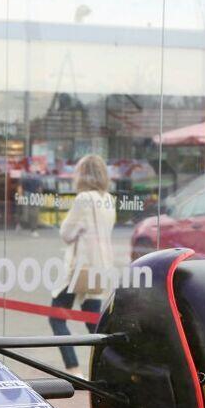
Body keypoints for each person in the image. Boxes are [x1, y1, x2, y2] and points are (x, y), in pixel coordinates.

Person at [49, 154, 116, 373]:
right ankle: (110, 369)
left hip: (80, 270)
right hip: (101, 268)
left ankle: (73, 370)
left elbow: (66, 233)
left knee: (57, 318)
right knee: (93, 325)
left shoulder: (84, 199)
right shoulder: (108, 199)